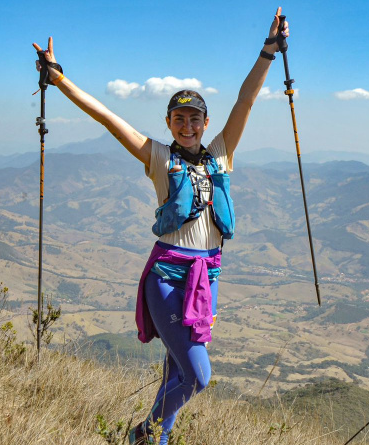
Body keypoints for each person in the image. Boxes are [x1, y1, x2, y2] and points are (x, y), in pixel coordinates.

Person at [34, 8, 289, 444]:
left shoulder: (222, 153)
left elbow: (245, 100)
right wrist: (60, 80)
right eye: (179, 119)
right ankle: (142, 435)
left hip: (206, 278)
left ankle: (156, 439)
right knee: (197, 376)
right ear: (169, 123)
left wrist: (268, 51)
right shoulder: (158, 157)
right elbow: (108, 118)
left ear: (206, 124)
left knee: (176, 371)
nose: (188, 126)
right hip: (168, 277)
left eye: (195, 119)